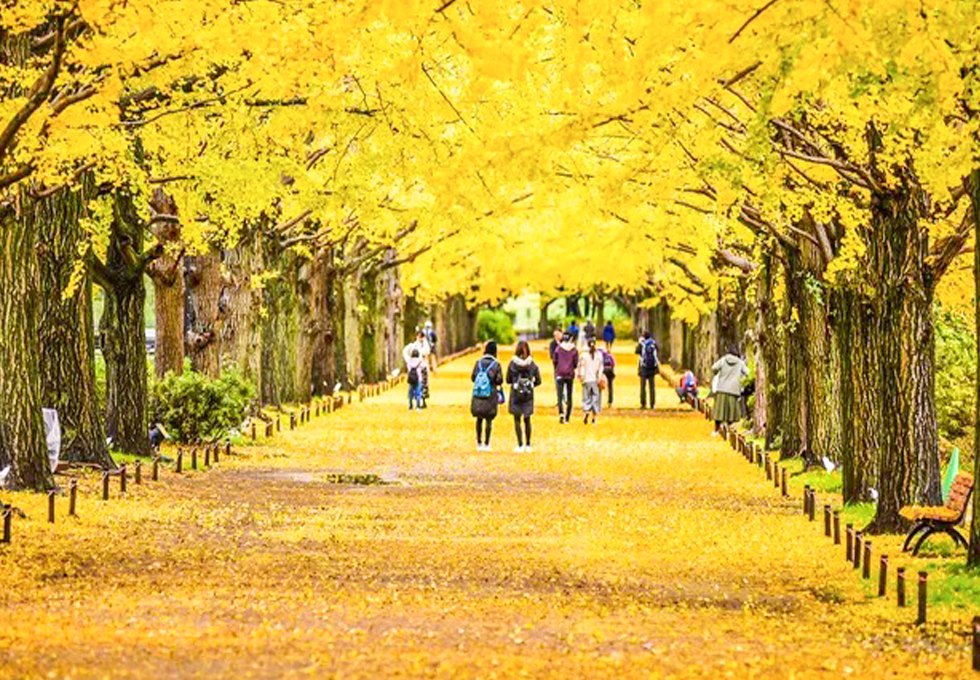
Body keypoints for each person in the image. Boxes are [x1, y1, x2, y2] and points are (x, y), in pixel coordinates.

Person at [506, 341, 542, 452]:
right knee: (527, 419)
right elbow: (539, 380)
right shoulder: (532, 364)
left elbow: (508, 380)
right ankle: (528, 444)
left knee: (517, 418)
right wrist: (531, 385)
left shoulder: (512, 364)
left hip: (516, 393)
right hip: (528, 393)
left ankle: (520, 444)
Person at [471, 341, 504, 451]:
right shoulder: (496, 364)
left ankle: (479, 442)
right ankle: (487, 443)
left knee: (479, 419)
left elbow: (473, 377)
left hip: (479, 393)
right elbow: (499, 380)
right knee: (489, 419)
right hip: (490, 394)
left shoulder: (478, 363)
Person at [712, 345, 748, 434]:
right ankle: (729, 429)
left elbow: (714, 368)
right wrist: (742, 379)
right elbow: (747, 372)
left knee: (719, 411)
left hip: (722, 388)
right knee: (732, 412)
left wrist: (717, 373)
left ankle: (716, 430)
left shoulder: (723, 360)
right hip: (733, 390)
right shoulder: (740, 363)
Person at [578, 338, 605, 424]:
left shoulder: (583, 355)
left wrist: (581, 376)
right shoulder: (599, 355)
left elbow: (581, 367)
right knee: (596, 398)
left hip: (586, 379)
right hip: (595, 380)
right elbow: (600, 368)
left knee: (586, 397)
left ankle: (586, 411)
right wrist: (599, 378)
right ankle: (594, 417)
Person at [554, 332, 578, 423]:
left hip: (560, 374)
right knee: (569, 396)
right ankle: (567, 417)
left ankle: (561, 413)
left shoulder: (558, 349)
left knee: (560, 396)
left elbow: (555, 360)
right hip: (569, 374)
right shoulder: (574, 350)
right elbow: (576, 363)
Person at [403, 330, 432, 407]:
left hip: (423, 367)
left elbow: (427, 351)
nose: (420, 338)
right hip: (414, 370)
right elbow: (405, 351)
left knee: (423, 385)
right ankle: (414, 401)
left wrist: (424, 341)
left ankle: (422, 401)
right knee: (414, 385)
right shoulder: (413, 345)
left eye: (421, 336)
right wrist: (408, 359)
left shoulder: (425, 345)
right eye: (419, 336)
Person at [635, 331, 660, 410]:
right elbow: (658, 351)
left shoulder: (642, 344)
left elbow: (636, 351)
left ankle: (643, 403)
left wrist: (639, 343)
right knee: (652, 386)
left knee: (643, 386)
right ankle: (652, 404)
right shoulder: (653, 343)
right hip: (652, 368)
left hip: (643, 367)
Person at [548, 328, 563, 405]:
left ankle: (565, 400)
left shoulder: (565, 343)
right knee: (558, 384)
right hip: (557, 367)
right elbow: (551, 355)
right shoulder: (553, 344)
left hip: (566, 367)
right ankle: (559, 400)